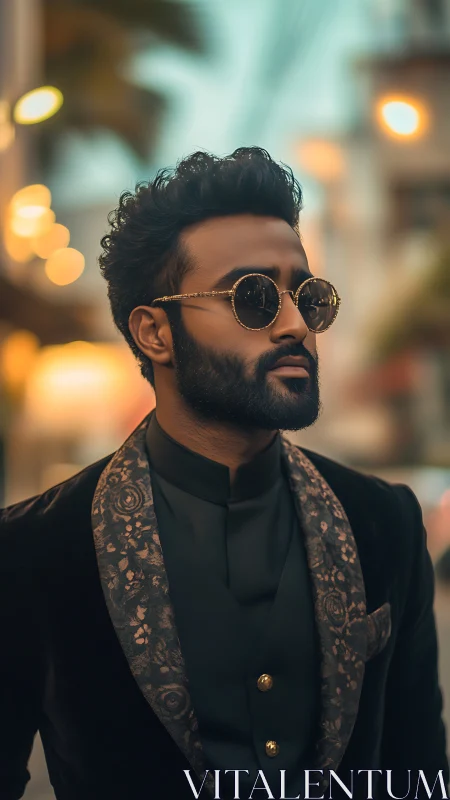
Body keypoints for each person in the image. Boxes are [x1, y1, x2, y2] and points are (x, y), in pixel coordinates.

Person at [0, 147, 448, 800]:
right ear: (155, 332)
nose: (296, 325)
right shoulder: (32, 550)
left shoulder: (384, 523)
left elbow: (419, 774)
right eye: (255, 297)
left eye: (308, 296)